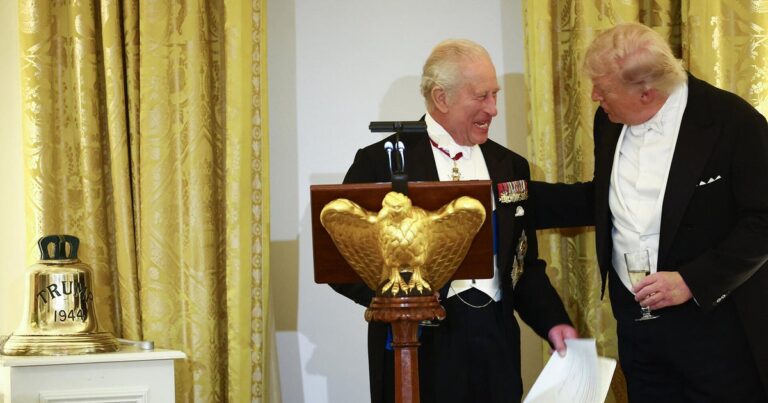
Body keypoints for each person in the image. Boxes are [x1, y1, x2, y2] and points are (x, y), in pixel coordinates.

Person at [330, 39, 577, 403]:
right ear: (441, 98)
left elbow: (522, 266)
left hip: (495, 342)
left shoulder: (510, 166)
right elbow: (340, 259)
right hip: (416, 343)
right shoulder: (381, 162)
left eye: (495, 95)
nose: (493, 109)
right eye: (481, 96)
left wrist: (553, 322)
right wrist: (399, 299)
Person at [531, 22, 768, 401]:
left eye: (603, 88)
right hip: (638, 327)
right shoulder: (608, 121)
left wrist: (691, 281)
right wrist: (511, 196)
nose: (593, 96)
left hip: (715, 328)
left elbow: (761, 221)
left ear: (646, 92)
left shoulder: (733, 122)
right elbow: (605, 198)